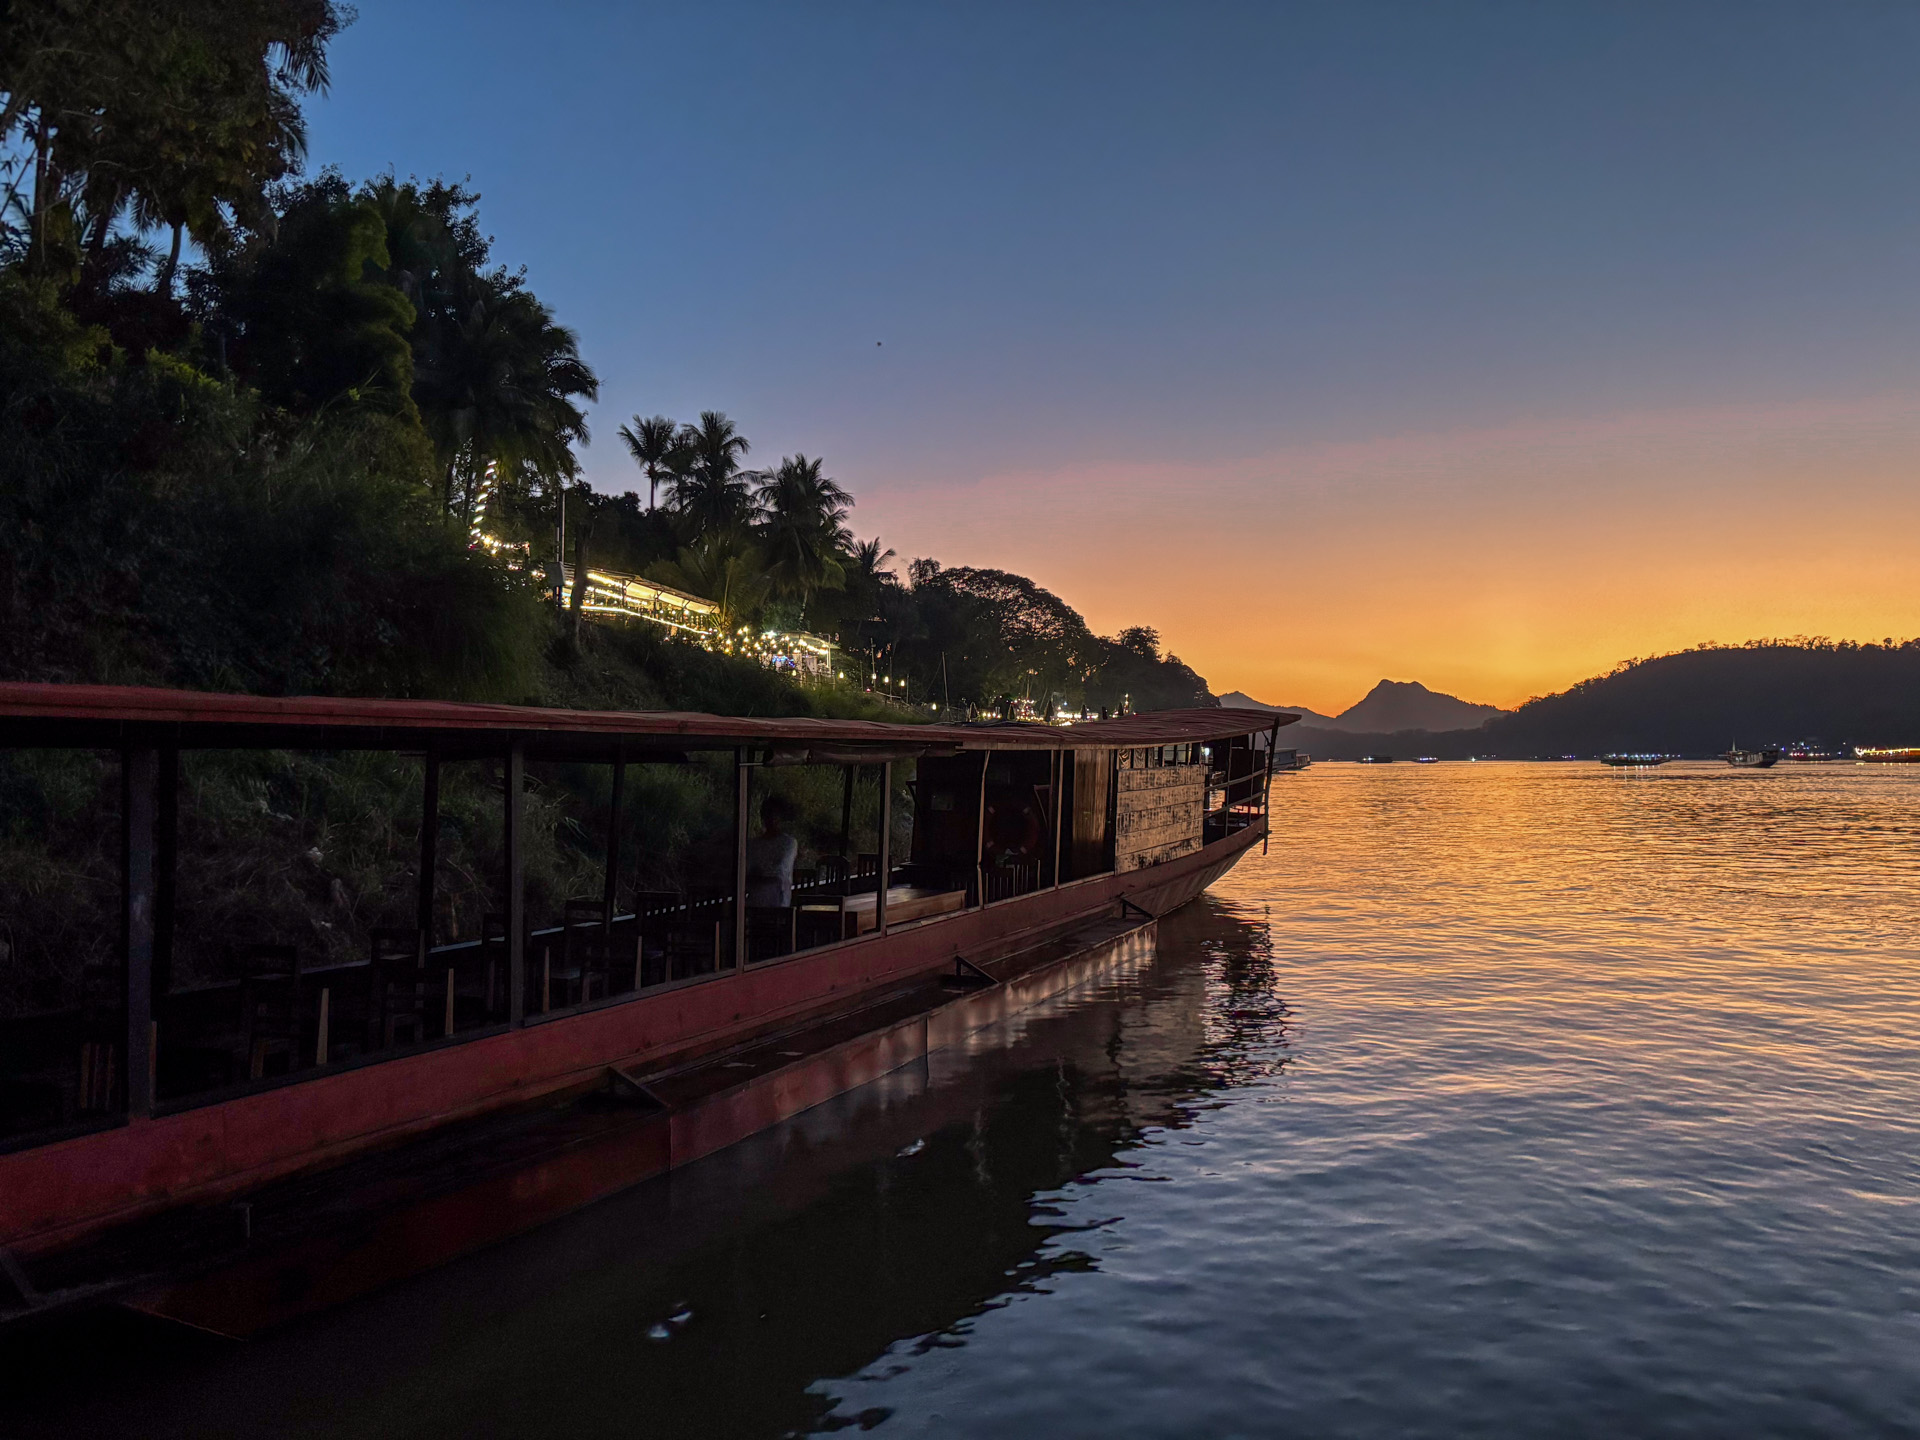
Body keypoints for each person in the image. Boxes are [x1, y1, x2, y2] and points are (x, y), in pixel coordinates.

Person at [746, 795, 800, 907]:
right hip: (755, 895)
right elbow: (749, 867)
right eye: (767, 815)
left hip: (777, 897)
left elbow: (780, 870)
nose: (770, 819)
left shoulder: (789, 843)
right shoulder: (754, 844)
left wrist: (759, 875)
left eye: (774, 815)